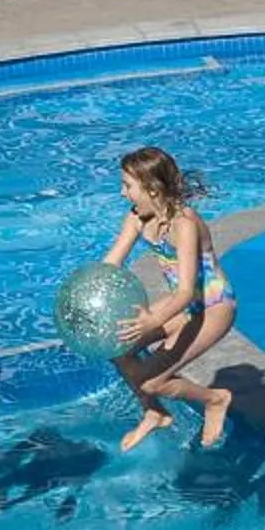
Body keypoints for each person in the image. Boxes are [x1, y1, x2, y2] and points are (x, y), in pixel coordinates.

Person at [99, 143, 237, 451]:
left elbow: (187, 290)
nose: (123, 193)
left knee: (153, 382)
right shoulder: (137, 218)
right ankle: (154, 412)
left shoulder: (184, 224)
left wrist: (152, 321)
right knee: (117, 348)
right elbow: (111, 264)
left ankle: (215, 399)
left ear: (152, 189)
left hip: (213, 305)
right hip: (181, 305)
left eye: (127, 186)